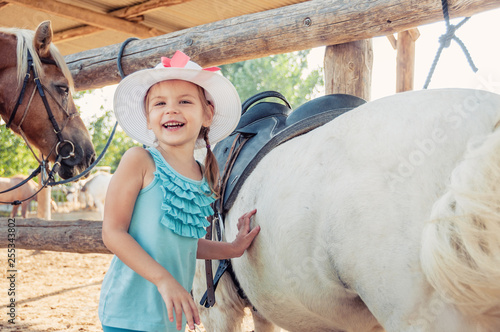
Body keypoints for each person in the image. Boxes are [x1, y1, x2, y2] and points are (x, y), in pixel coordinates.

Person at [98, 50, 260, 332]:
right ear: (148, 119)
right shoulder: (139, 160)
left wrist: (232, 249)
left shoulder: (203, 174)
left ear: (207, 114)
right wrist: (164, 280)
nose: (171, 110)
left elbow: (183, 243)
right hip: (128, 313)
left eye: (184, 101)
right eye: (159, 103)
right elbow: (112, 233)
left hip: (170, 317)